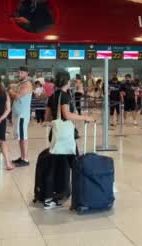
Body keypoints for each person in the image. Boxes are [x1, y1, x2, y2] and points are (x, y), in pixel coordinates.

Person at [44, 71, 94, 209]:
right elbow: (66, 115)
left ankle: (49, 198)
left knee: (53, 167)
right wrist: (85, 117)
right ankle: (81, 194)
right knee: (76, 165)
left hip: (56, 135)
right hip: (65, 137)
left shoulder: (52, 96)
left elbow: (47, 118)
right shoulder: (64, 96)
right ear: (67, 81)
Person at [7, 67, 33, 167]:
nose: (20, 74)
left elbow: (17, 95)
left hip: (22, 115)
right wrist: (11, 87)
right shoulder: (20, 84)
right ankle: (22, 157)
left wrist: (10, 91)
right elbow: (13, 87)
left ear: (27, 73)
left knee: (23, 136)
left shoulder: (27, 84)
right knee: (19, 137)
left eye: (22, 72)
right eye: (19, 72)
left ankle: (25, 159)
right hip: (17, 114)